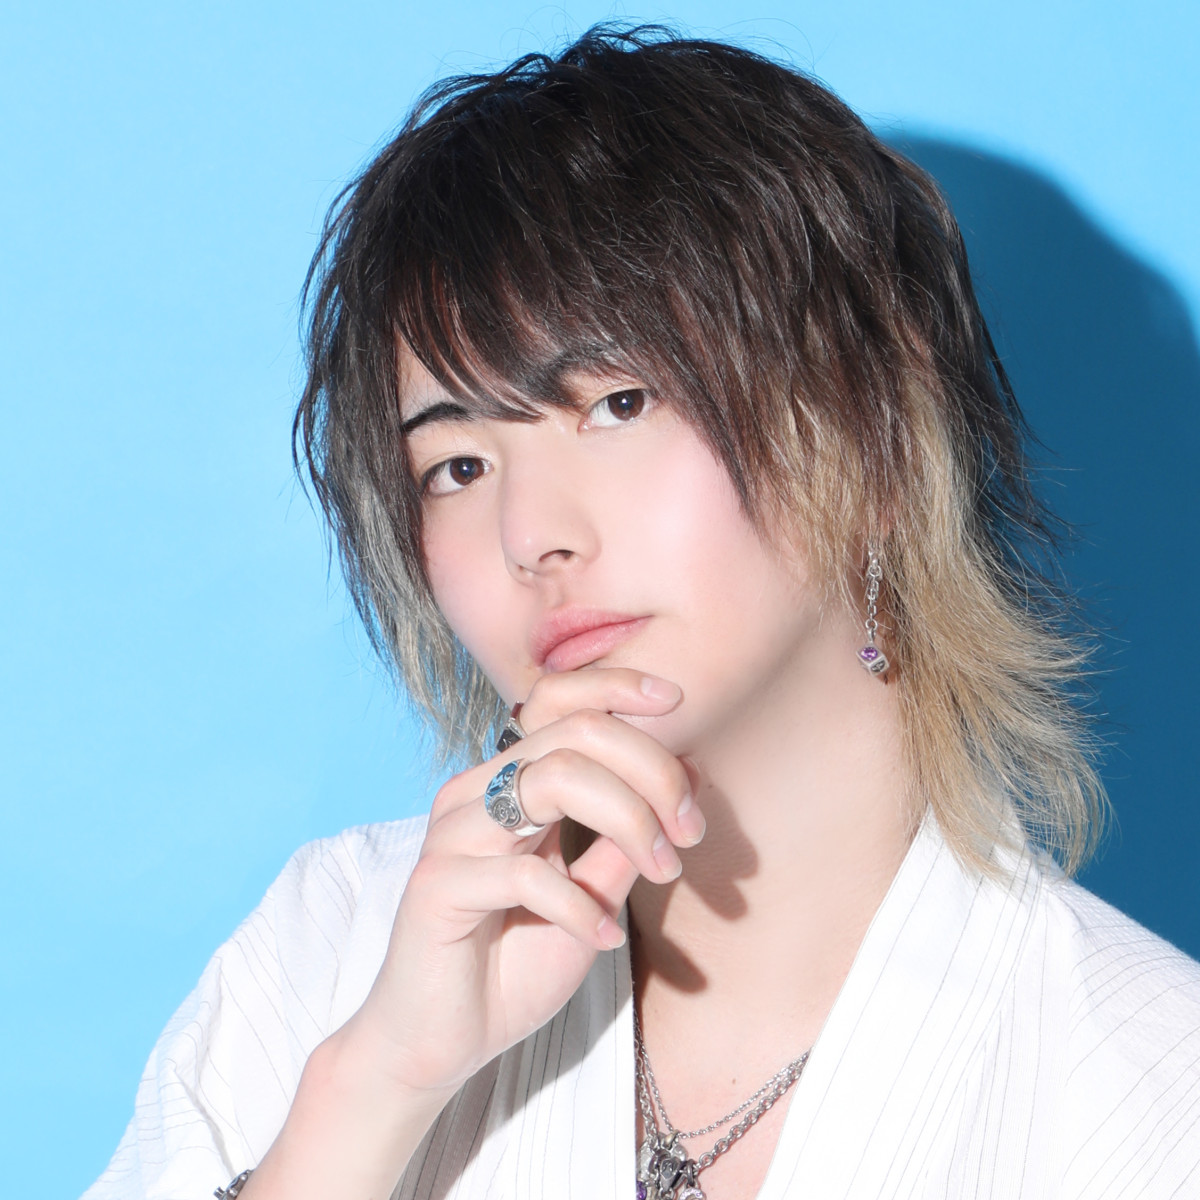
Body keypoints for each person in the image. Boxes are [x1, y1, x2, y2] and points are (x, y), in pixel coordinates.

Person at [85, 26, 1200, 1200]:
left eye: (618, 403)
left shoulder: (1146, 1092)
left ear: (872, 432)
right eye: (457, 467)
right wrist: (378, 1086)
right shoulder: (329, 959)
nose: (530, 534)